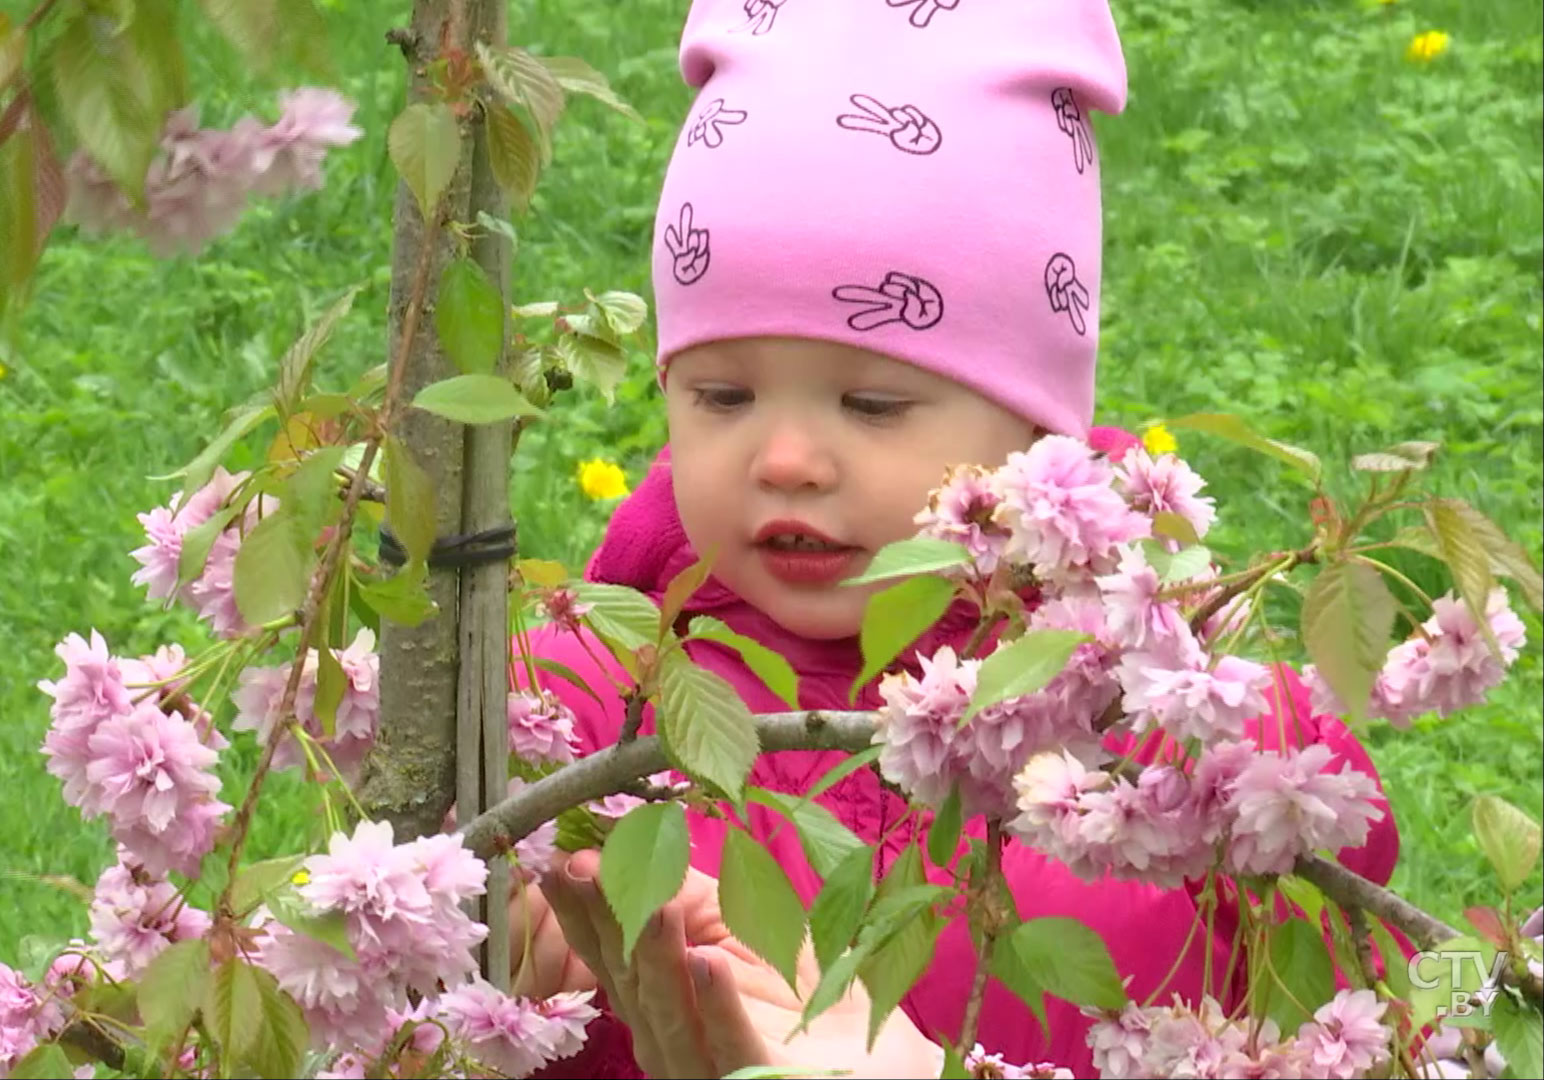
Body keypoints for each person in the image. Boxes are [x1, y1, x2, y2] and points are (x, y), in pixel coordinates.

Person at [505, 1, 1407, 1076]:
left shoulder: (1184, 761)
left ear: (1036, 430)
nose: (785, 457)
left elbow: (1334, 993)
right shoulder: (573, 714)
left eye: (875, 405)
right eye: (723, 394)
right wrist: (505, 930)